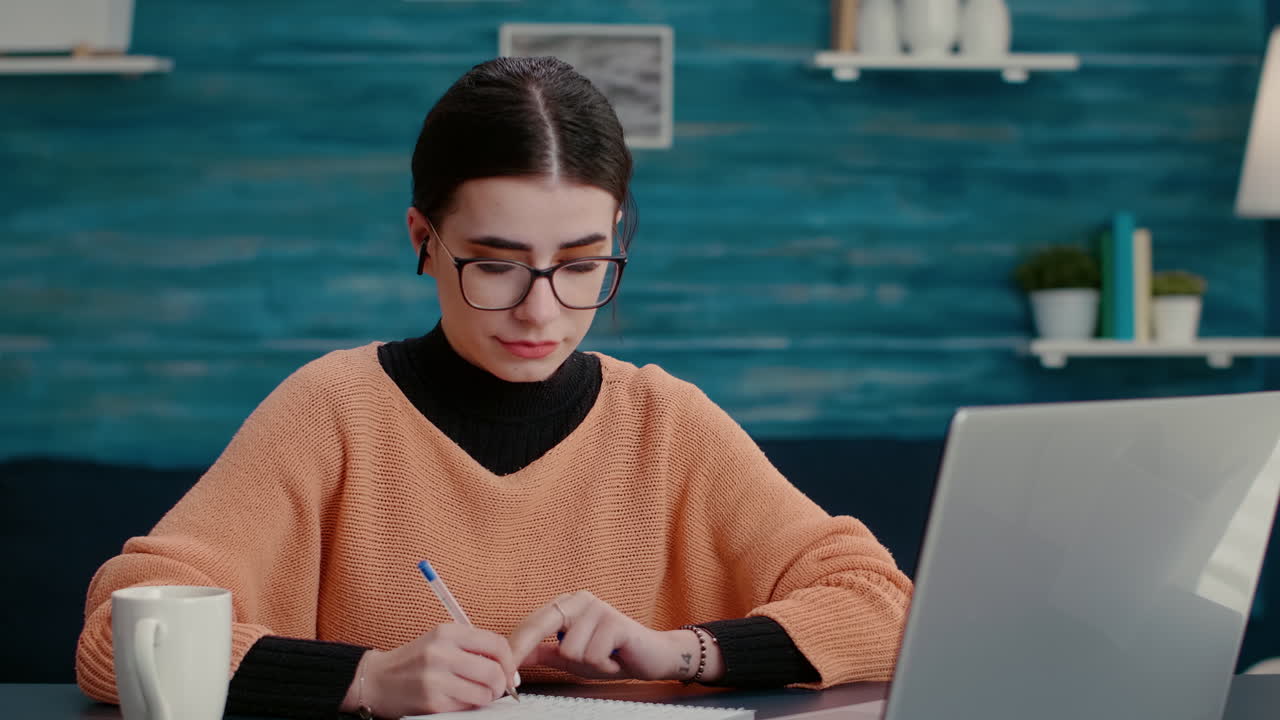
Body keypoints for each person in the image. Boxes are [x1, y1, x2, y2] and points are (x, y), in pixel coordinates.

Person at [76, 56, 913, 719]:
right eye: (497, 266)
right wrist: (364, 679)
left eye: (583, 266)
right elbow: (119, 634)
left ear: (618, 234)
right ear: (424, 238)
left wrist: (681, 652)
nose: (541, 311)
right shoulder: (331, 411)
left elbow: (885, 605)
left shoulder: (667, 423)